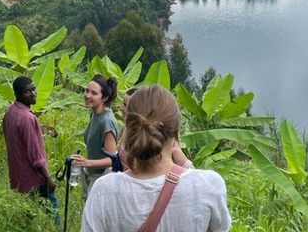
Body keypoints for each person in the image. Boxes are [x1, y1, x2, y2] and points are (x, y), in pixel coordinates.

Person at [81, 85, 232, 232]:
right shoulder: (208, 185)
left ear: (129, 127)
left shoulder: (104, 190)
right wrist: (186, 162)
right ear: (176, 130)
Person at [3, 76, 60, 224]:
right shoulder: (28, 118)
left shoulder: (11, 112)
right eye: (28, 91)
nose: (33, 93)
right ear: (18, 94)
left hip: (19, 179)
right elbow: (35, 157)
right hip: (35, 180)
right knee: (53, 220)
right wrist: (48, 178)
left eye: (34, 89)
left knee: (28, 220)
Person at [117, 87, 193, 172]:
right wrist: (186, 163)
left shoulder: (105, 183)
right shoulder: (202, 180)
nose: (121, 108)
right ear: (175, 128)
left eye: (125, 105)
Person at [71, 74, 119, 198]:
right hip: (91, 174)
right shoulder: (95, 114)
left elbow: (111, 159)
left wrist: (86, 162)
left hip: (102, 178)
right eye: (87, 91)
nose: (87, 96)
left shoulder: (106, 121)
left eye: (94, 93)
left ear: (104, 98)